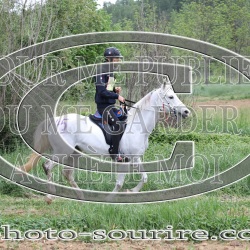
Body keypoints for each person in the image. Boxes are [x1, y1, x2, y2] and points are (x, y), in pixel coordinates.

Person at [95, 47, 128, 162]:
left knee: (125, 119)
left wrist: (115, 90)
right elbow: (101, 91)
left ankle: (123, 148)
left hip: (110, 106)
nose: (118, 61)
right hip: (103, 107)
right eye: (116, 59)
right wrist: (117, 96)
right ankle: (114, 154)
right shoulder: (101, 70)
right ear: (109, 59)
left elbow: (108, 89)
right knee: (118, 125)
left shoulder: (110, 72)